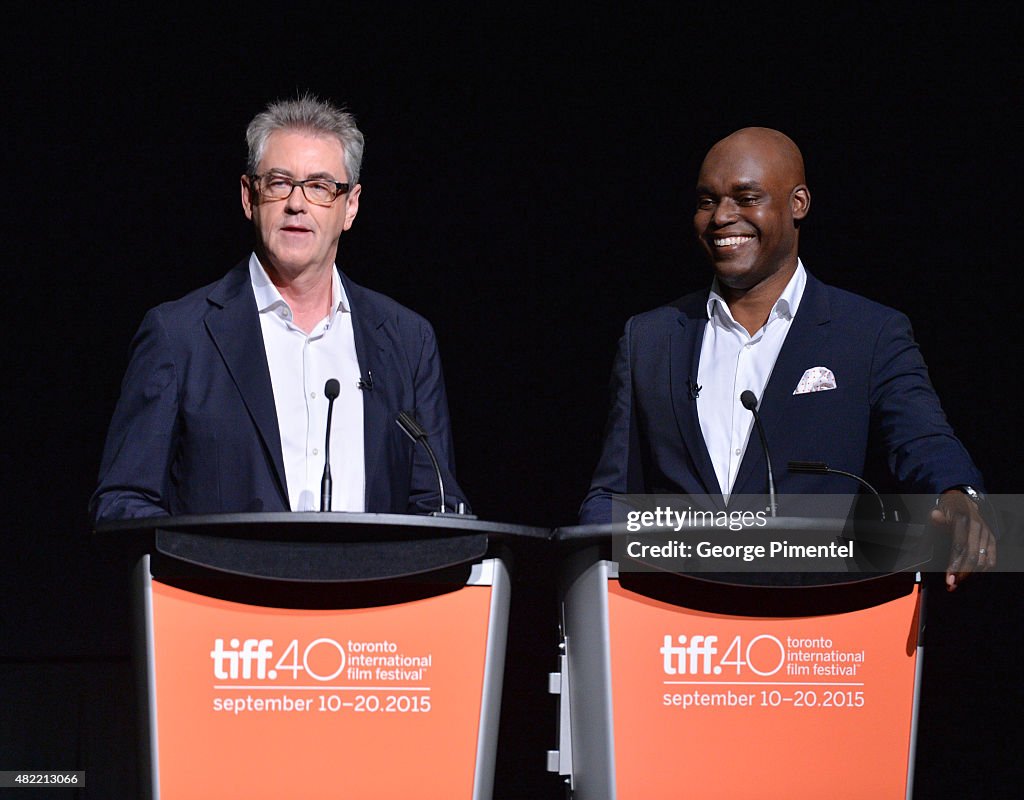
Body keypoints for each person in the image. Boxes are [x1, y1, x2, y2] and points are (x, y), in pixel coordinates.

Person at [579, 127, 993, 590]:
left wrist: (960, 495)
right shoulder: (650, 337)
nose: (722, 217)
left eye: (745, 197)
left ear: (799, 203)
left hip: (807, 630)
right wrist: (589, 571)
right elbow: (613, 493)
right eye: (707, 201)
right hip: (673, 627)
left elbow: (923, 441)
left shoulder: (868, 333)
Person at [90, 94, 468, 522]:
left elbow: (436, 506)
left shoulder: (406, 340)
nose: (297, 203)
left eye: (321, 186)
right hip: (222, 589)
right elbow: (123, 502)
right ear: (250, 197)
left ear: (351, 206)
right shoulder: (179, 337)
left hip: (371, 588)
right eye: (279, 182)